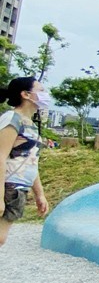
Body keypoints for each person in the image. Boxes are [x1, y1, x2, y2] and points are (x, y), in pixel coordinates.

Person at [1, 77, 50, 251]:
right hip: (7, 186)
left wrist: (39, 194)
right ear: (26, 94)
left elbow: (31, 161)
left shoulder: (30, 125)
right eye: (41, 90)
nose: (45, 95)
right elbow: (0, 156)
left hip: (18, 188)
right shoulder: (12, 119)